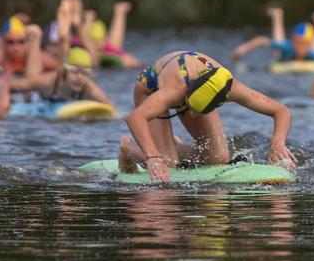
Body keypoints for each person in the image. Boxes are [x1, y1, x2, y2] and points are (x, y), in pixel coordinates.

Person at [118, 50, 296, 182]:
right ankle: (128, 146)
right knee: (169, 163)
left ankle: (175, 146)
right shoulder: (175, 89)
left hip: (195, 89)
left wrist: (277, 143)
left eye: (198, 111)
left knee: (218, 159)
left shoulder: (231, 87)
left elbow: (281, 110)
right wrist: (153, 158)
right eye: (192, 108)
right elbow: (135, 118)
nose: (193, 115)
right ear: (186, 97)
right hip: (151, 88)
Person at [5, 47, 113, 106]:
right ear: (65, 71)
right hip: (37, 99)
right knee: (29, 88)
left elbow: (112, 110)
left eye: (85, 73)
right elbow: (10, 85)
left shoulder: (90, 89)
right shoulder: (49, 81)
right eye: (74, 71)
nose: (79, 77)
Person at [231, 6, 314, 68]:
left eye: (304, 44)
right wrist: (242, 49)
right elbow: (261, 40)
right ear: (293, 41)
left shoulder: (312, 53)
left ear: (308, 44)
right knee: (279, 47)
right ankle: (277, 16)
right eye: (298, 43)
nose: (300, 48)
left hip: (310, 53)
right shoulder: (288, 47)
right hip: (281, 59)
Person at [89, 1, 142, 68]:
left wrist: (123, 56)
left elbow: (111, 48)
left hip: (102, 50)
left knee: (114, 45)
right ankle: (119, 13)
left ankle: (119, 13)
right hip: (95, 53)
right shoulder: (79, 43)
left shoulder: (98, 29)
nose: (93, 14)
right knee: (113, 46)